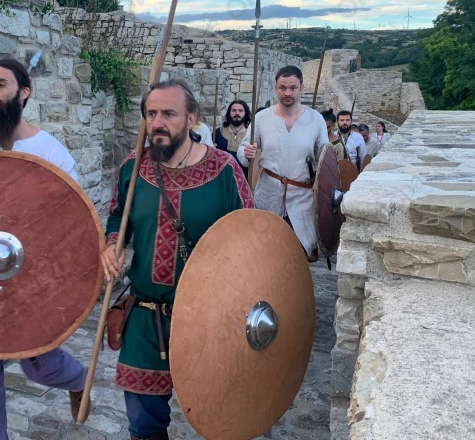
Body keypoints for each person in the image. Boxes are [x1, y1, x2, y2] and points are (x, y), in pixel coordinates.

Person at [101, 79, 254, 440]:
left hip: (208, 320)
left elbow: (250, 239)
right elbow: (118, 216)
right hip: (145, 314)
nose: (158, 122)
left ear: (191, 118)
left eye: (169, 114)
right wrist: (112, 245)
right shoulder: (133, 167)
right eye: (151, 113)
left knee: (218, 417)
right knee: (144, 424)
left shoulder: (224, 170)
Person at [0, 58, 88, 440]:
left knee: (39, 366)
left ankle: (78, 380)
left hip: (35, 282)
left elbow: (73, 226)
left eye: (0, 84)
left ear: (24, 92)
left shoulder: (51, 154)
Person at [237, 65, 328, 261]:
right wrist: (246, 152)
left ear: (302, 87)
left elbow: (325, 159)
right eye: (283, 88)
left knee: (300, 257)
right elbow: (243, 152)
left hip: (302, 197)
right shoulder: (261, 118)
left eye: (293, 88)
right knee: (265, 254)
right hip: (269, 194)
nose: (288, 93)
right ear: (276, 88)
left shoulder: (316, 119)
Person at [214, 99, 251, 174]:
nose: (237, 113)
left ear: (245, 113)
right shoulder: (217, 133)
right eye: (234, 110)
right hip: (222, 176)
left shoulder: (251, 136)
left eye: (240, 111)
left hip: (244, 177)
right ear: (229, 113)